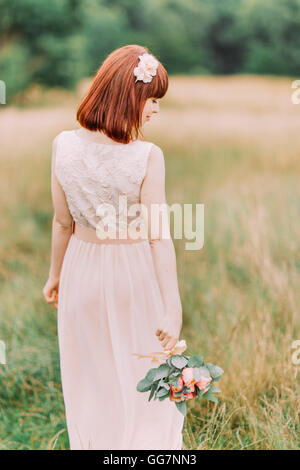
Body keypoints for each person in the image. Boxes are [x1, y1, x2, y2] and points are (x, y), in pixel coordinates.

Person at [43, 44, 184, 450]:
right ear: (128, 96)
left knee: (92, 377)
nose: (155, 109)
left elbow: (62, 223)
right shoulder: (146, 157)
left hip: (80, 271)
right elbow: (158, 235)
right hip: (132, 271)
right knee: (142, 374)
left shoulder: (62, 146)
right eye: (151, 99)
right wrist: (171, 307)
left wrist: (55, 276)